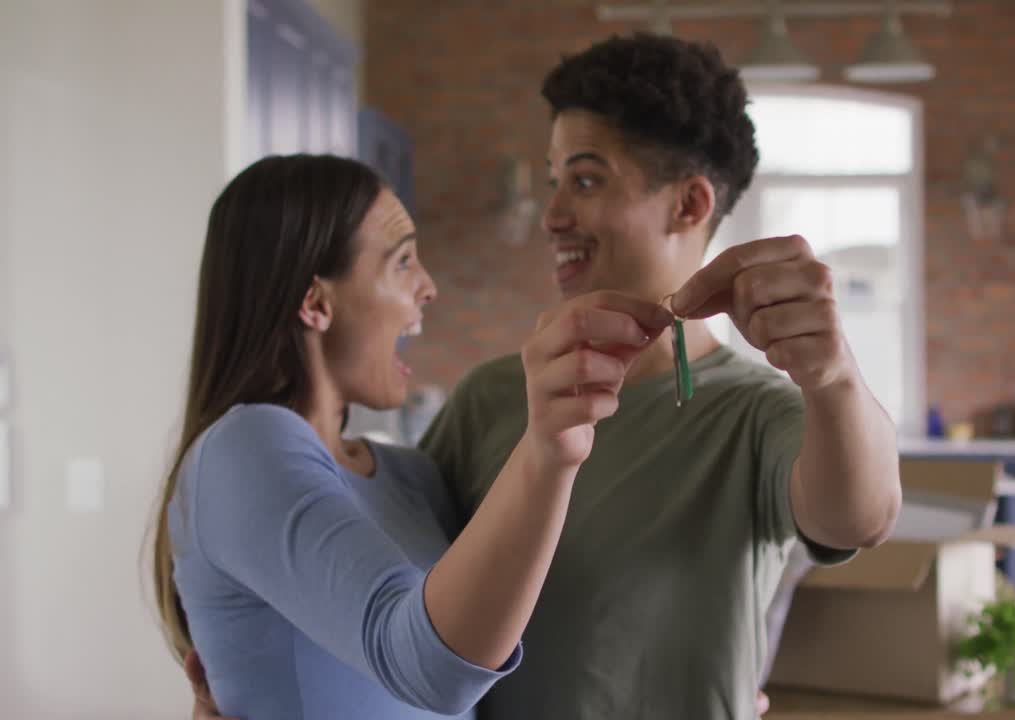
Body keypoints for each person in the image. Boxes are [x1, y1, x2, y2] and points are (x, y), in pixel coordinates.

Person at [189, 32, 901, 720]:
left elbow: (861, 517)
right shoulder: (493, 399)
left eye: (585, 180)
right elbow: (388, 592)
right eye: (554, 180)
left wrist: (834, 377)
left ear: (688, 205)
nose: (552, 214)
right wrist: (246, 677)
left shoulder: (755, 414)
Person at [152, 154, 673, 719]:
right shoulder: (244, 447)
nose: (428, 287)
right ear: (315, 302)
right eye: (402, 262)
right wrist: (550, 448)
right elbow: (433, 670)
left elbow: (495, 660)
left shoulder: (413, 476)